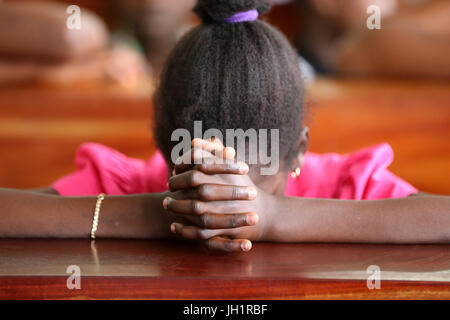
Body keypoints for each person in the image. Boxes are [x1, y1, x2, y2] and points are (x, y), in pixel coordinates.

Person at [1, 0, 448, 252]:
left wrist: (272, 218)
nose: (224, 221)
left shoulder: (345, 184)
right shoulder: (124, 185)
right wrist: (157, 212)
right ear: (160, 149)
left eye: (249, 193)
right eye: (198, 181)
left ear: (298, 151)